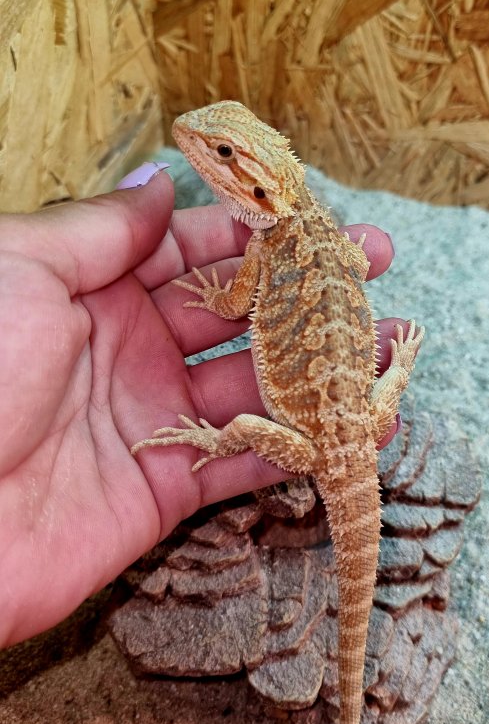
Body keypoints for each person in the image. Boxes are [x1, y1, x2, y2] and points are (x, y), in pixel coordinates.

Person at [0, 162, 403, 650]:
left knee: (246, 427)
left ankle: (213, 442)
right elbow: (357, 262)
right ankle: (397, 369)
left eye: (225, 152)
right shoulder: (325, 237)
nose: (208, 155)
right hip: (361, 419)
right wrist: (397, 370)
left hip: (315, 443)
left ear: (262, 191)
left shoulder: (266, 245)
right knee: (335, 406)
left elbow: (231, 306)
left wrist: (216, 436)